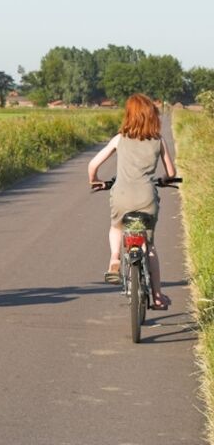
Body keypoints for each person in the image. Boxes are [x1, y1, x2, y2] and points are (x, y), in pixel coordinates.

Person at [87, 93, 176, 310]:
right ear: (151, 115)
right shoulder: (158, 140)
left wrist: (95, 181)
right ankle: (156, 296)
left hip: (121, 197)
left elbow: (92, 165)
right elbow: (171, 173)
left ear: (129, 116)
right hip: (147, 197)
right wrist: (165, 180)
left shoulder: (119, 139)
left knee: (117, 227)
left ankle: (115, 257)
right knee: (150, 247)